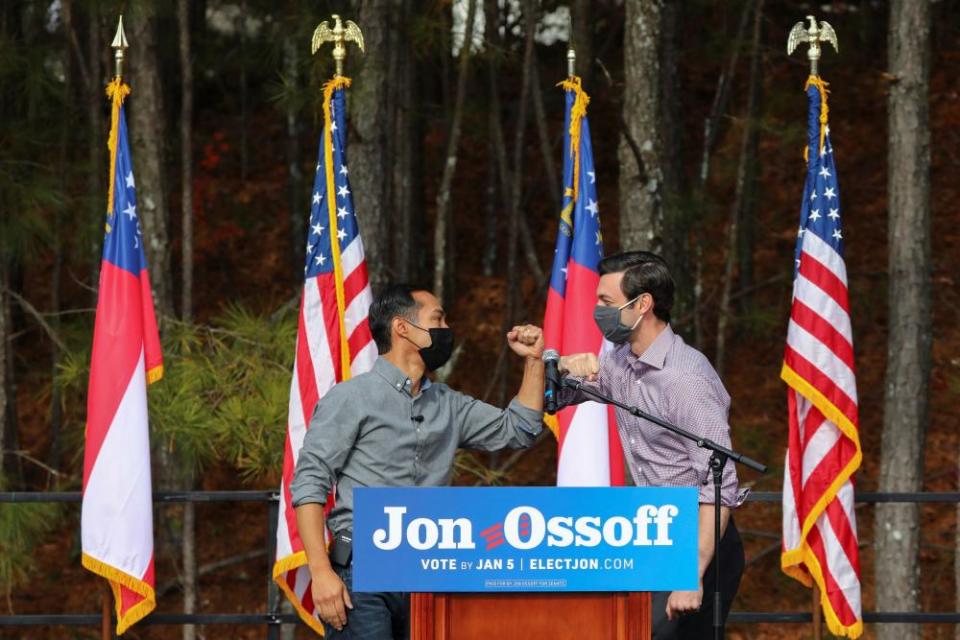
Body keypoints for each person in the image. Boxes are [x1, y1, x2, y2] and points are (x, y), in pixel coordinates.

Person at [291, 284, 545, 639]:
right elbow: (309, 483)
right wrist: (320, 572)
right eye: (437, 318)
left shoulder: (449, 403)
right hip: (361, 572)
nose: (446, 329)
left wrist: (534, 360)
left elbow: (519, 429)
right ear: (402, 328)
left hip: (431, 569)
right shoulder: (351, 397)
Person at [558, 251, 746, 639]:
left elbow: (719, 484)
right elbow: (558, 398)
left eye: (605, 302)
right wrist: (555, 364)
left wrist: (691, 574)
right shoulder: (621, 364)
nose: (596, 311)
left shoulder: (686, 379)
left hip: (698, 540)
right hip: (652, 534)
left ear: (642, 304)